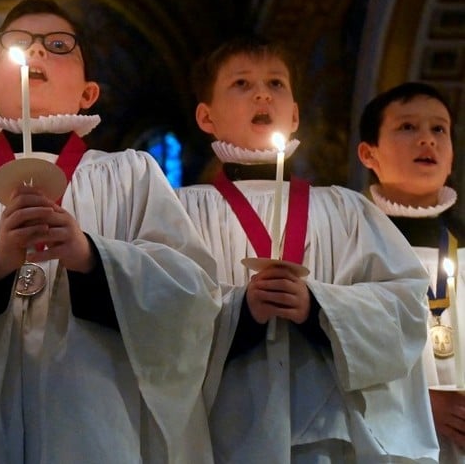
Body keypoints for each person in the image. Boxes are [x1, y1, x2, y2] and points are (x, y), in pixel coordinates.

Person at [0, 0, 221, 463]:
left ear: (89, 93)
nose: (37, 53)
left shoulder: (133, 175)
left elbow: (190, 295)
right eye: (18, 44)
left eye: (58, 44)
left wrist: (91, 258)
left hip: (96, 421)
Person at [175, 35, 437, 462]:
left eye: (276, 84)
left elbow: (405, 308)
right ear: (206, 117)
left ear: (294, 114)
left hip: (330, 437)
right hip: (220, 433)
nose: (262, 93)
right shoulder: (180, 211)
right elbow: (156, 316)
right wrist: (241, 313)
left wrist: (319, 307)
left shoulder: (345, 210)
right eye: (241, 84)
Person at [357, 82, 464, 462]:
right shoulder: (350, 244)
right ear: (369, 154)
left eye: (439, 129)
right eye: (407, 127)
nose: (427, 140)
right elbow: (335, 350)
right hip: (383, 444)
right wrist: (417, 402)